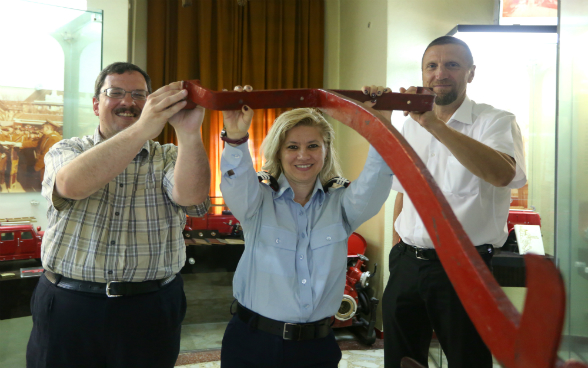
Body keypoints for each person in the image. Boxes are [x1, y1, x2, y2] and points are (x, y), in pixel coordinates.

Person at [26, 62, 211, 368]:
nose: (128, 102)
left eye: (139, 95)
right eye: (116, 93)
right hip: (69, 305)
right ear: (97, 104)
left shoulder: (168, 156)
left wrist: (189, 132)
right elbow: (72, 185)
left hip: (150, 308)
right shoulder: (67, 149)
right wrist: (142, 129)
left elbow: (191, 197)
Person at [218, 85, 394, 368]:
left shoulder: (342, 205)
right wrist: (236, 138)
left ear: (326, 151)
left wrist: (380, 128)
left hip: (316, 347)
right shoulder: (257, 202)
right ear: (278, 152)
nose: (303, 155)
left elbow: (376, 182)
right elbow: (236, 181)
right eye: (292, 147)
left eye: (313, 145)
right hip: (253, 343)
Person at [381, 36, 527, 368]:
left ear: (470, 73)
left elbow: (503, 174)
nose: (440, 73)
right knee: (402, 360)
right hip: (408, 264)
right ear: (422, 74)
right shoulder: (409, 124)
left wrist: (434, 124)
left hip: (466, 266)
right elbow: (404, 192)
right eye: (431, 66)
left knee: (468, 359)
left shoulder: (496, 121)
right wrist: (397, 254)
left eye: (452, 65)